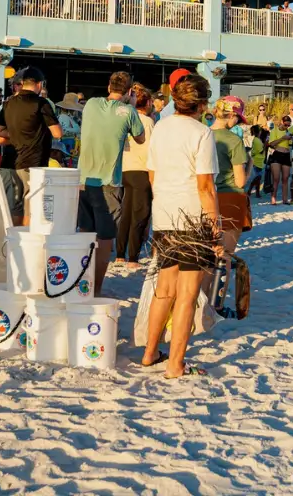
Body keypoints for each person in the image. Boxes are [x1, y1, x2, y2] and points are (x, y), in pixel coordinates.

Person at [142, 74, 220, 379]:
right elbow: (205, 186)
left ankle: (150, 353)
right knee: (187, 294)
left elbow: (152, 174)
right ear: (201, 102)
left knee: (164, 290)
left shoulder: (160, 127)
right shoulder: (202, 133)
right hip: (192, 217)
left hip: (164, 214)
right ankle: (175, 364)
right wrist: (214, 224)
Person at [76, 71, 143, 296]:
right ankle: (95, 289)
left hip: (84, 180)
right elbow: (140, 138)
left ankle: (81, 284)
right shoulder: (129, 111)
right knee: (105, 238)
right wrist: (131, 104)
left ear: (108, 87)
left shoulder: (91, 104)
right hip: (109, 182)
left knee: (85, 233)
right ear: (129, 91)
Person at [0, 67, 62, 225]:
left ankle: (14, 241)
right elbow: (58, 133)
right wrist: (30, 134)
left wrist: (19, 134)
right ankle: (26, 243)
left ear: (22, 84)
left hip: (12, 163)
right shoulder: (41, 103)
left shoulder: (9, 104)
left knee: (16, 207)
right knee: (31, 206)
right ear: (39, 84)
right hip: (34, 163)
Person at [117, 86, 155, 270]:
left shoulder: (124, 117)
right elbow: (152, 150)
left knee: (126, 212)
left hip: (125, 169)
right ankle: (133, 257)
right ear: (147, 103)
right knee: (140, 214)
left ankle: (119, 254)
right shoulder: (146, 121)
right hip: (141, 170)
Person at [210, 98, 252, 252]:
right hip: (230, 197)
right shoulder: (233, 140)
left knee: (207, 256)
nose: (237, 123)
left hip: (205, 196)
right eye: (238, 119)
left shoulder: (202, 134)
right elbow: (240, 181)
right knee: (225, 255)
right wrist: (250, 166)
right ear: (232, 115)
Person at [266, 114, 293, 205]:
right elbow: (271, 144)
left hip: (286, 154)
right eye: (286, 124)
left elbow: (291, 145)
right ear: (281, 122)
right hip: (277, 154)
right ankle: (273, 198)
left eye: (288, 125)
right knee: (276, 178)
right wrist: (283, 138)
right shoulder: (275, 130)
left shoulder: (289, 132)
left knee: (285, 178)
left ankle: (285, 199)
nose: (287, 126)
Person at [246, 124, 267, 199]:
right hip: (257, 161)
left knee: (258, 178)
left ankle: (256, 192)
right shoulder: (257, 141)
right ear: (259, 132)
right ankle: (250, 190)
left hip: (258, 161)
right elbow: (261, 151)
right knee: (257, 177)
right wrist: (265, 144)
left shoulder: (256, 140)